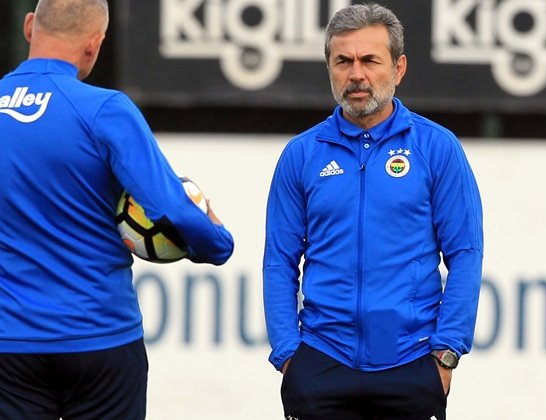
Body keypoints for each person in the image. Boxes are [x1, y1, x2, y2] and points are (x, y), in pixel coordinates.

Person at [0, 0, 234, 419]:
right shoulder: (105, 109)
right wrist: (217, 243)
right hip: (99, 339)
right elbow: (172, 209)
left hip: (9, 344)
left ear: (30, 26)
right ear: (95, 44)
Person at [262, 3, 483, 419]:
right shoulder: (301, 154)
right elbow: (279, 262)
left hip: (412, 362)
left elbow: (466, 254)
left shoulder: (437, 148)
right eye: (343, 61)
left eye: (369, 60)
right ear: (329, 68)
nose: (356, 74)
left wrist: (446, 354)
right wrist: (289, 355)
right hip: (321, 362)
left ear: (398, 68)